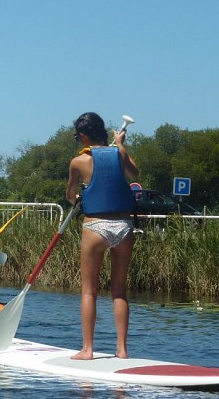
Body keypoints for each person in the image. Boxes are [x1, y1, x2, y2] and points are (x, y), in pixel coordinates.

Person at [66, 112, 138, 360]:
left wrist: (78, 199)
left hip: (95, 227)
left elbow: (70, 196)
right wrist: (120, 143)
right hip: (124, 226)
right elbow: (134, 173)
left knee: (89, 291)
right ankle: (122, 350)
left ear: (84, 135)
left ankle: (87, 350)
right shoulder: (118, 153)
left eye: (78, 136)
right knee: (119, 290)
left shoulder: (78, 162)